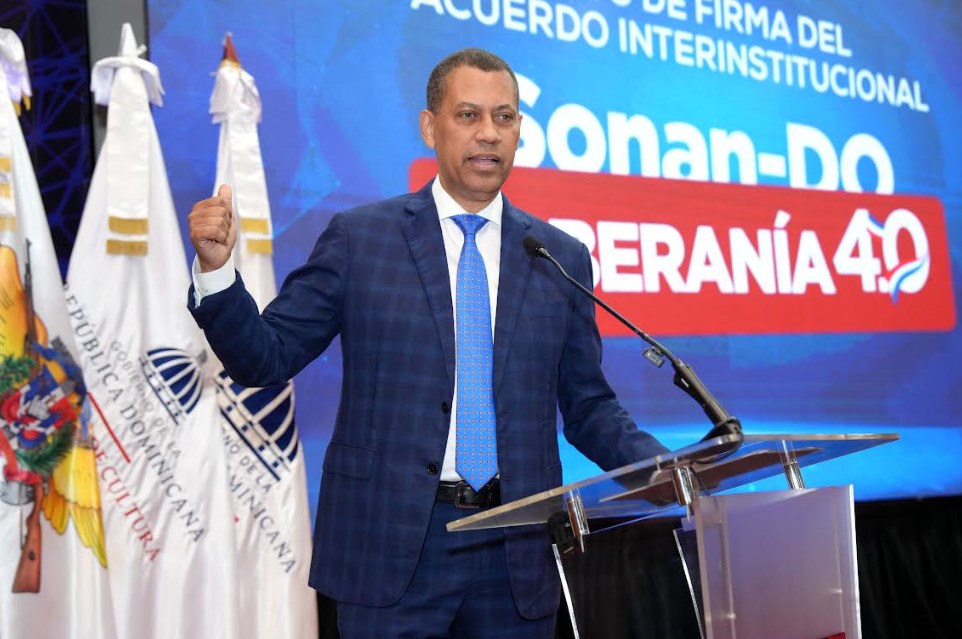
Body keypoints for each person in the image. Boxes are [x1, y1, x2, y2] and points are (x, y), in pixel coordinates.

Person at [187, 47, 668, 639]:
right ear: (429, 126)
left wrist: (660, 467)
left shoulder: (557, 256)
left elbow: (588, 406)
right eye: (468, 115)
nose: (488, 132)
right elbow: (266, 356)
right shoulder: (361, 239)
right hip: (390, 549)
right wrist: (216, 272)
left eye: (504, 117)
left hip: (514, 550)